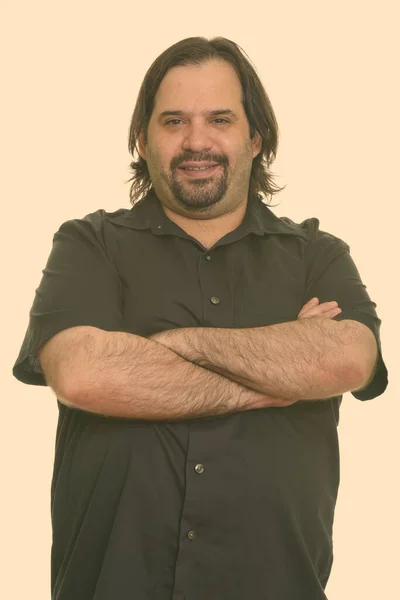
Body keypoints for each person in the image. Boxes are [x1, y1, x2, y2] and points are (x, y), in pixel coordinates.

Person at [12, 36, 388, 600]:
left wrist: (171, 344)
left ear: (255, 137)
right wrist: (276, 378)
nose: (197, 141)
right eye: (173, 121)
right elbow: (83, 374)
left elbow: (349, 358)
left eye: (219, 119)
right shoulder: (89, 244)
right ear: (142, 138)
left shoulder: (318, 254)